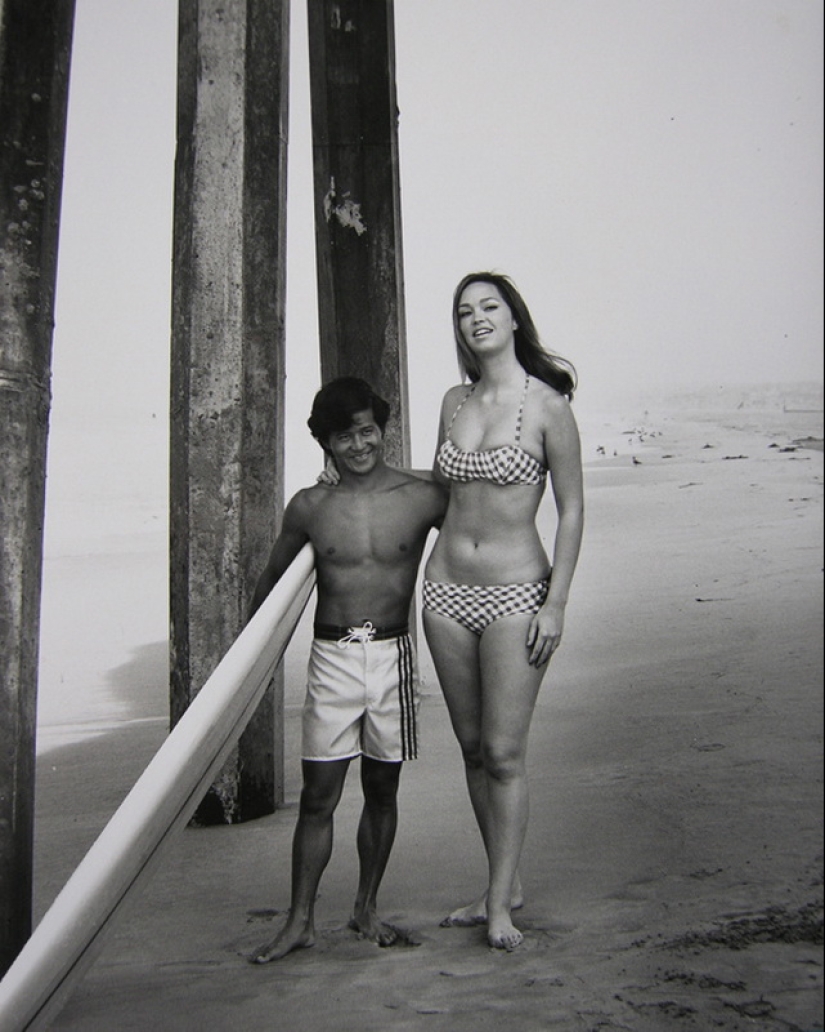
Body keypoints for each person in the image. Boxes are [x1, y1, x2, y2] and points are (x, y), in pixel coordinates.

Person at [247, 377, 446, 963]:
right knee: (319, 796)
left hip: (394, 656)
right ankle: (299, 921)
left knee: (382, 791)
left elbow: (481, 531)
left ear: (381, 427)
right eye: (344, 436)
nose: (360, 444)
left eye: (367, 429)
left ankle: (366, 908)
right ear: (326, 444)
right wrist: (248, 662)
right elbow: (272, 585)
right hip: (332, 657)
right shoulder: (311, 507)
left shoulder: (424, 494)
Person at [423, 271, 584, 951]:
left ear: (513, 319)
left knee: (503, 751)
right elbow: (436, 495)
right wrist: (356, 488)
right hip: (443, 594)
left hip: (518, 594)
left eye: (489, 307)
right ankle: (501, 883)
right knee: (468, 748)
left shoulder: (546, 406)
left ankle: (499, 909)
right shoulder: (452, 401)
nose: (476, 318)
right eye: (464, 311)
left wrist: (556, 605)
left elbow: (572, 509)